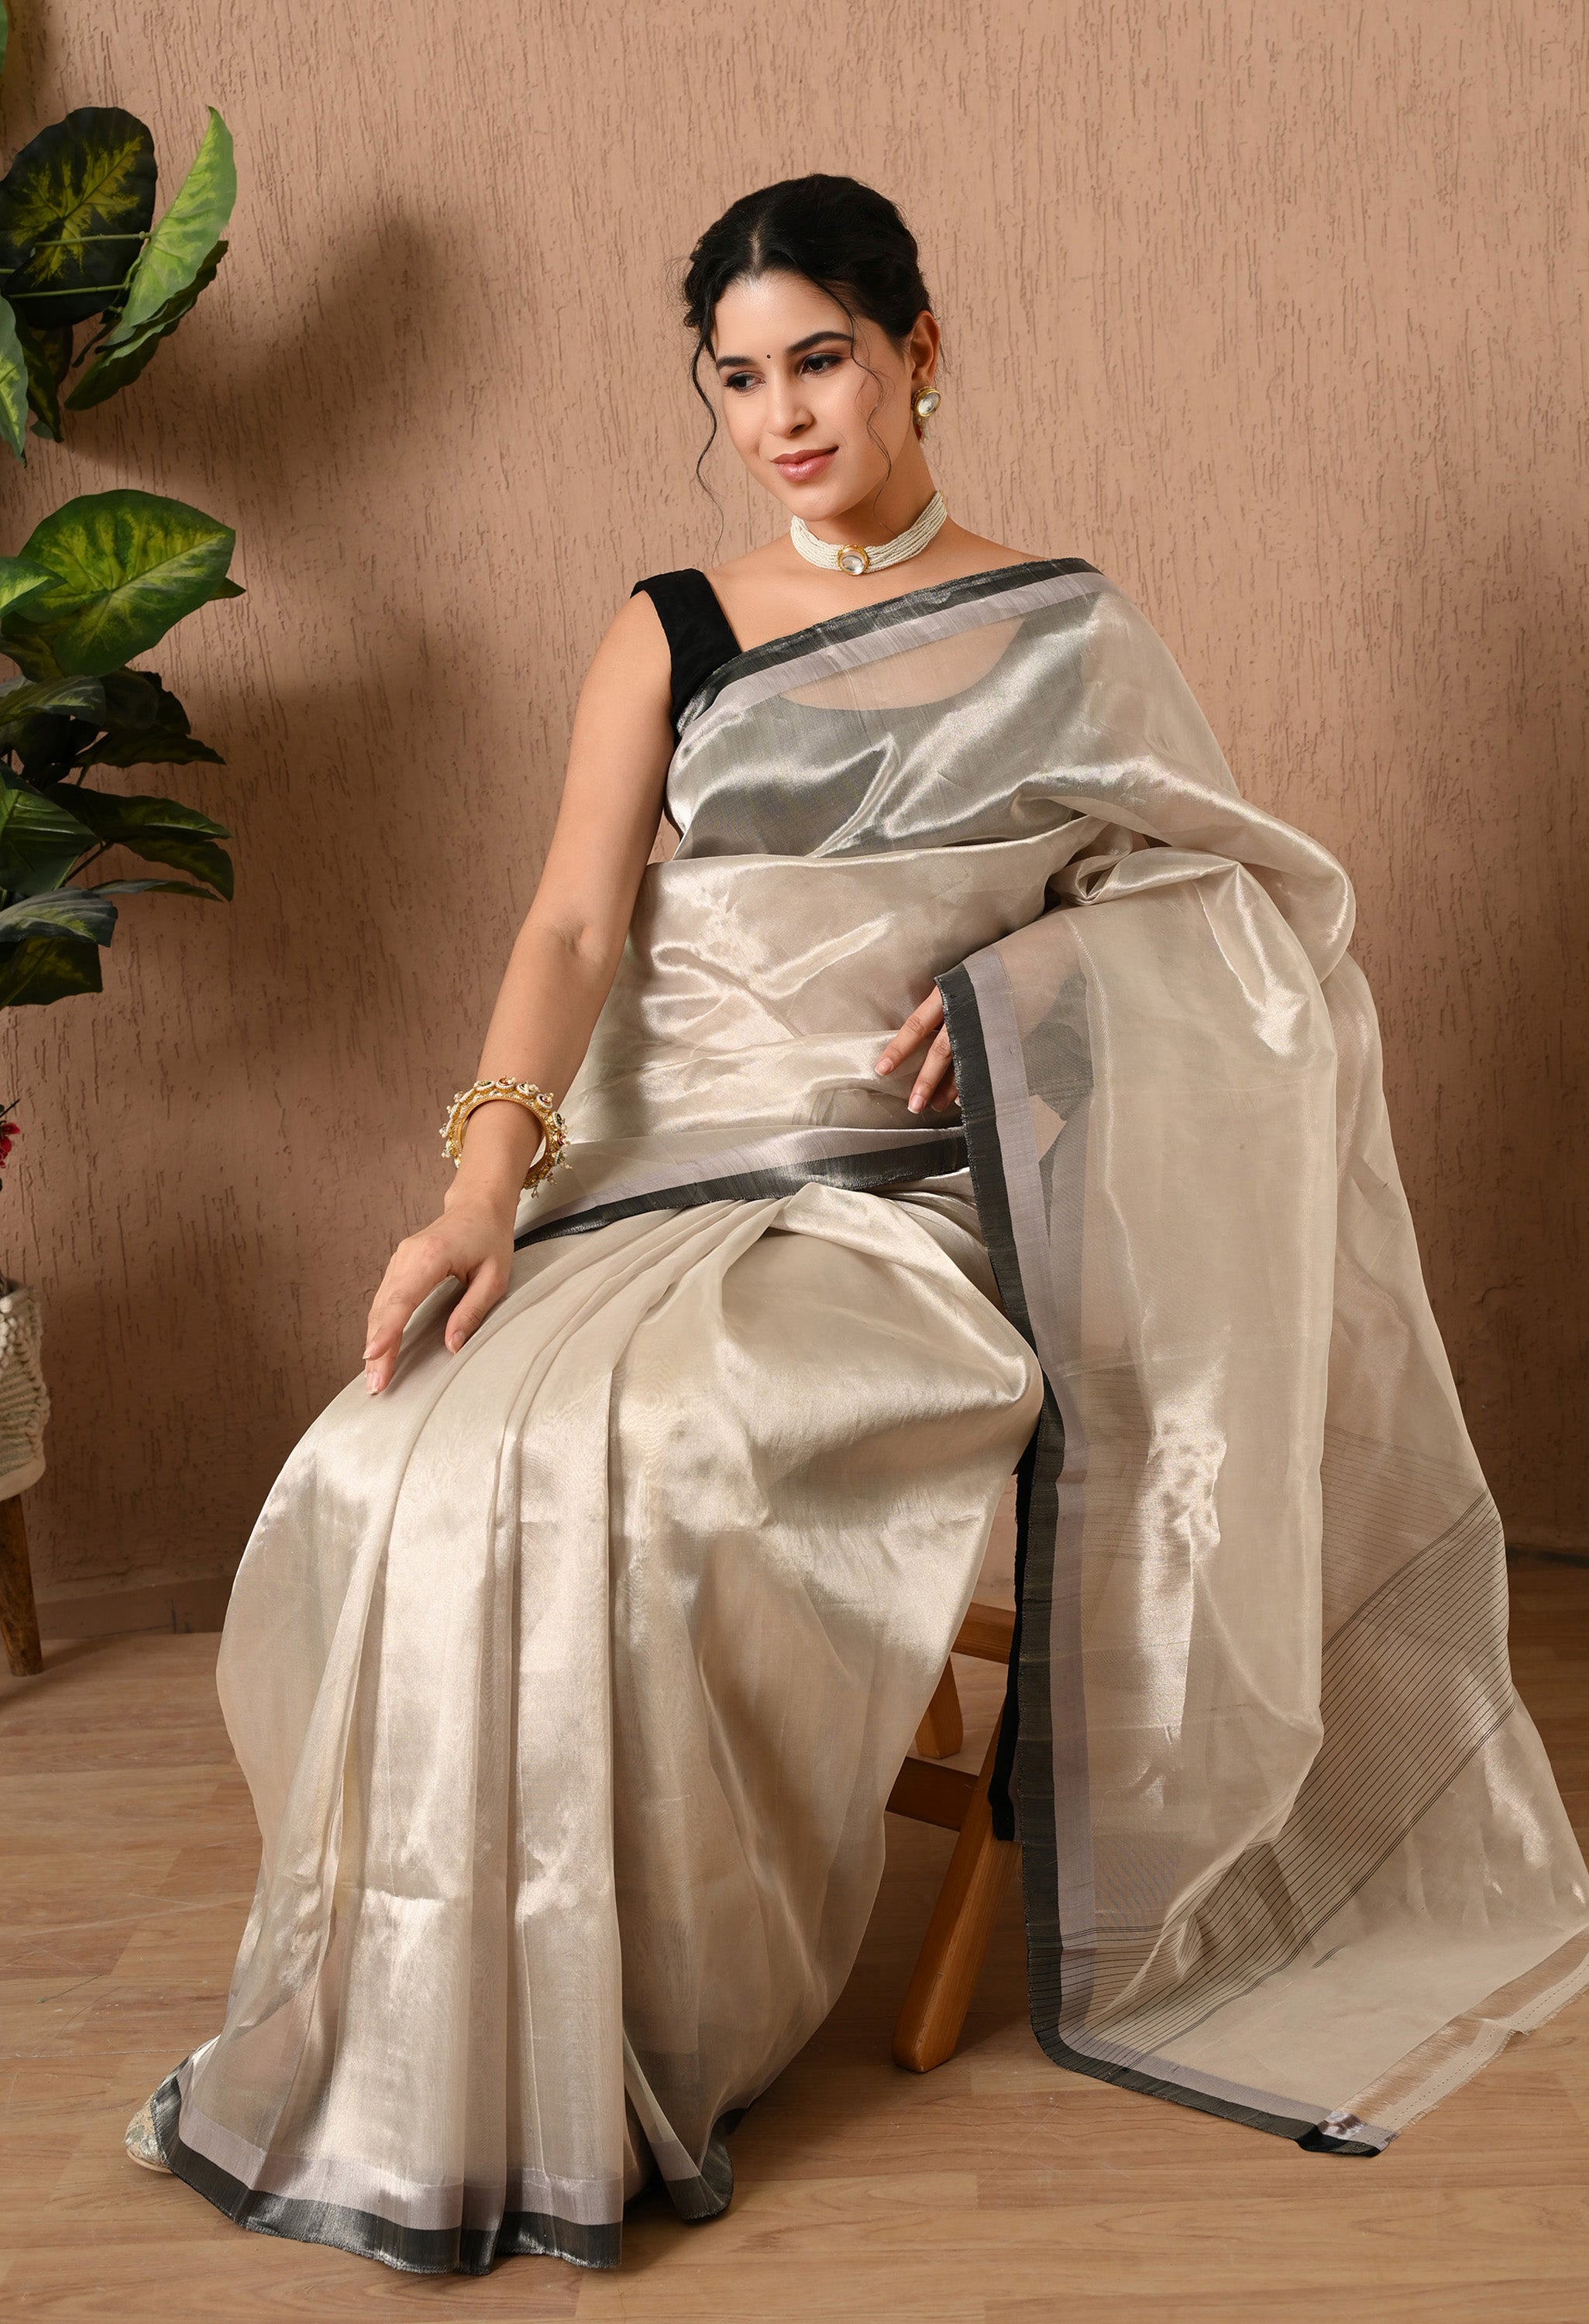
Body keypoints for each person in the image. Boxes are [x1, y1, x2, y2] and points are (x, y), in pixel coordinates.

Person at [124, 174, 1589, 2276]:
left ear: (919, 345)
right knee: (409, 1457)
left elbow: (1234, 919)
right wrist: (470, 1201)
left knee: (650, 1458)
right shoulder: (670, 629)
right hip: (647, 1176)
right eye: (737, 378)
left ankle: (624, 2030)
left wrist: (1030, 1000)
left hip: (926, 1212)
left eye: (819, 357)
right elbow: (566, 923)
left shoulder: (1065, 629)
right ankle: (453, 2052)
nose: (781, 416)